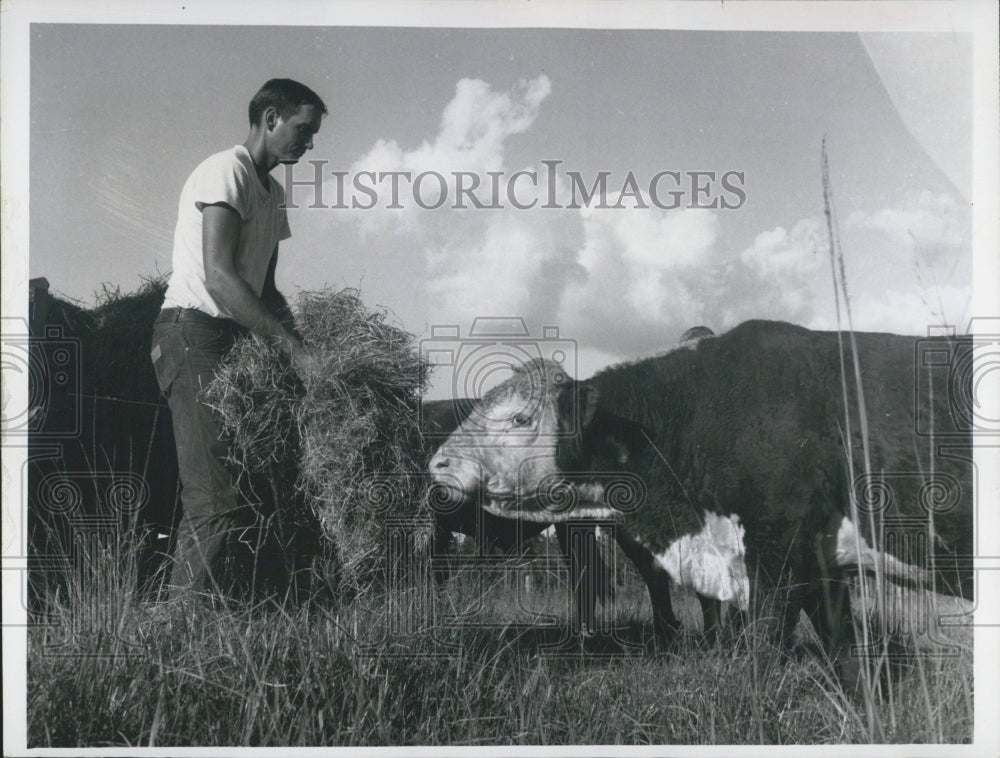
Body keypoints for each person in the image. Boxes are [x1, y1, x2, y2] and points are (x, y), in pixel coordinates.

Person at [150, 79, 325, 596]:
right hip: (192, 334)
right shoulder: (226, 170)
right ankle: (177, 632)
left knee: (242, 489)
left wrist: (309, 349)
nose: (309, 143)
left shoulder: (272, 194)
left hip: (231, 343)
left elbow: (266, 292)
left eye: (313, 134)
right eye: (302, 129)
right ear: (270, 118)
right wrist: (289, 348)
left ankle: (215, 615)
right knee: (215, 497)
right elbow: (220, 277)